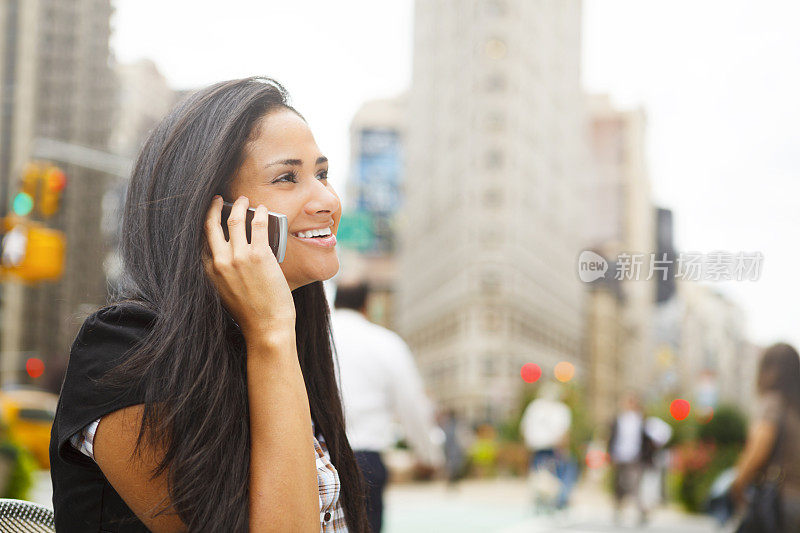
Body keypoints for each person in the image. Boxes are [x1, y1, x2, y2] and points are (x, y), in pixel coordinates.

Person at [49, 77, 370, 532]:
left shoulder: (278, 336)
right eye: (287, 178)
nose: (328, 201)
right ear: (214, 216)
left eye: (321, 173)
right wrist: (271, 334)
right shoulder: (124, 351)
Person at [330, 282, 444, 532]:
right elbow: (412, 405)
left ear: (335, 300)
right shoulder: (385, 342)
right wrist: (429, 455)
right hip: (365, 462)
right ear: (366, 305)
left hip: (315, 454)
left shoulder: (311, 336)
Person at [732, 343, 800, 532]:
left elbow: (758, 449)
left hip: (778, 503)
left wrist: (737, 484)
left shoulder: (773, 403)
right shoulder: (796, 407)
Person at [520, 382, 576, 512]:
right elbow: (564, 433)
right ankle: (560, 500)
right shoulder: (561, 409)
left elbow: (524, 428)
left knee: (539, 473)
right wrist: (563, 449)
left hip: (536, 447)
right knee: (563, 472)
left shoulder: (534, 407)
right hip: (553, 448)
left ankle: (540, 499)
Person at [607, 392, 655, 525]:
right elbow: (612, 438)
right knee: (619, 486)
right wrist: (611, 455)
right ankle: (618, 511)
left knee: (635, 486)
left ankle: (641, 513)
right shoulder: (618, 419)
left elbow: (649, 440)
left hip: (636, 458)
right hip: (620, 456)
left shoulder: (643, 421)